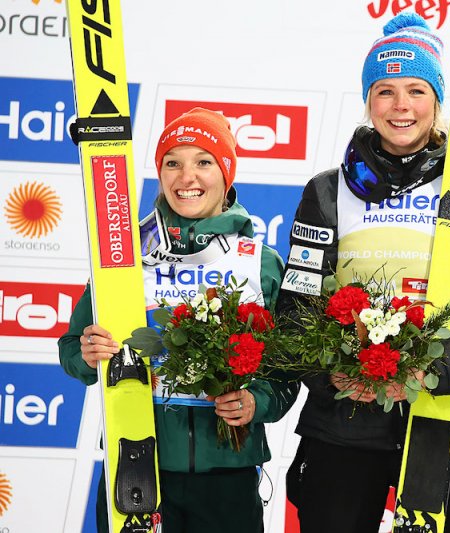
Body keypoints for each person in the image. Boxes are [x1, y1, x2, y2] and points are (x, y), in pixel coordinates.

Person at [276, 12, 450, 533]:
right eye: (385, 91)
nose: (401, 106)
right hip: (343, 423)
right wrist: (332, 374)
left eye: (416, 90)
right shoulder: (327, 191)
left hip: (442, 415)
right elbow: (297, 306)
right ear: (368, 100)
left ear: (436, 101)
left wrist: (436, 369)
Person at [58, 107, 299, 533]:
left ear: (226, 172)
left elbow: (286, 370)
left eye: (203, 161)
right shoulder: (126, 256)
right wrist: (87, 352)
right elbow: (72, 352)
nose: (187, 177)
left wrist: (255, 402)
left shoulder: (259, 263)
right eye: (173, 163)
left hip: (227, 474)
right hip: (137, 465)